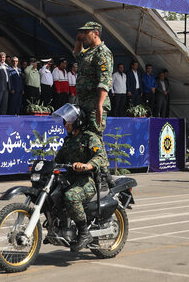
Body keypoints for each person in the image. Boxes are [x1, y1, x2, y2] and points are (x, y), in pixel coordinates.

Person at [53, 104, 109, 252]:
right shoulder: (68, 140)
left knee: (71, 196)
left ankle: (84, 233)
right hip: (71, 177)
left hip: (89, 180)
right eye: (65, 121)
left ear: (78, 122)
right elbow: (57, 160)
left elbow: (100, 157)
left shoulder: (90, 138)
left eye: (68, 121)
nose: (65, 124)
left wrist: (87, 166)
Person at [73, 21, 113, 145]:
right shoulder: (89, 51)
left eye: (86, 33)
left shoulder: (102, 52)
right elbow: (77, 55)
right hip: (84, 103)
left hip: (94, 105)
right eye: (82, 33)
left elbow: (104, 80)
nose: (83, 35)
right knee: (84, 139)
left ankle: (99, 164)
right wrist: (79, 41)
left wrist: (99, 106)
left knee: (94, 140)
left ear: (96, 33)